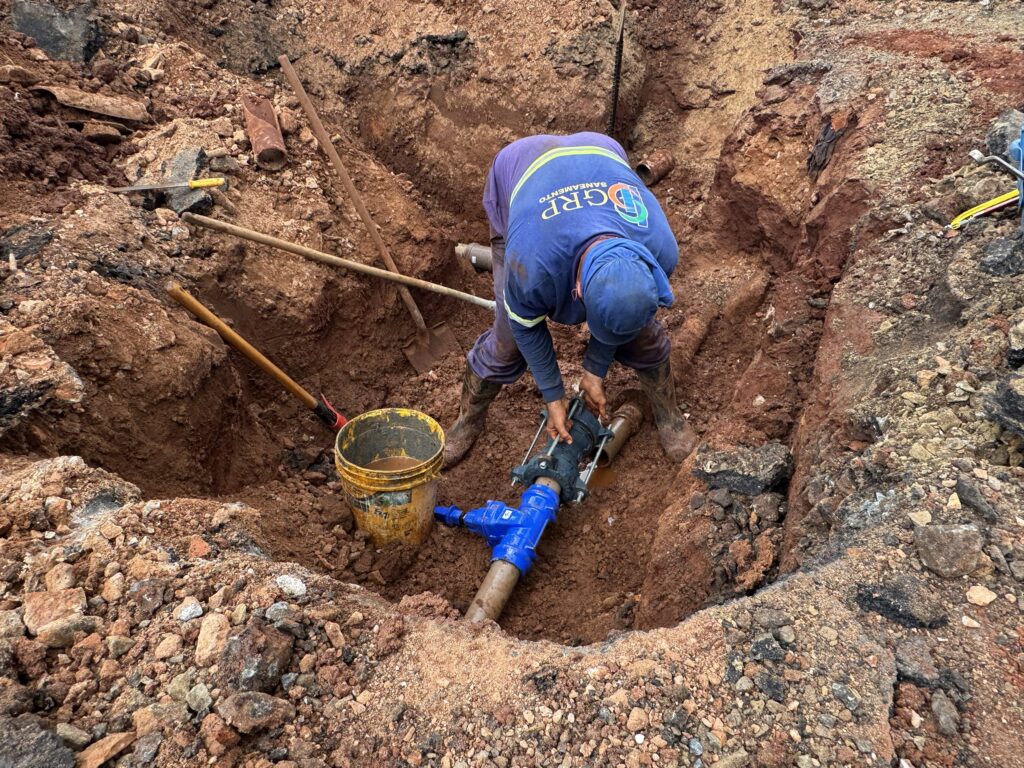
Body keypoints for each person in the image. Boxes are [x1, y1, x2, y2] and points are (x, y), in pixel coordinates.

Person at [444, 132, 698, 467]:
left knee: (640, 331)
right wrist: (553, 395)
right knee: (508, 339)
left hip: (599, 150)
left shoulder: (659, 246)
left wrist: (595, 370)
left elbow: (621, 315)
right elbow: (527, 327)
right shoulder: (534, 264)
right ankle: (467, 422)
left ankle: (670, 417)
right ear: (576, 289)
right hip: (520, 169)